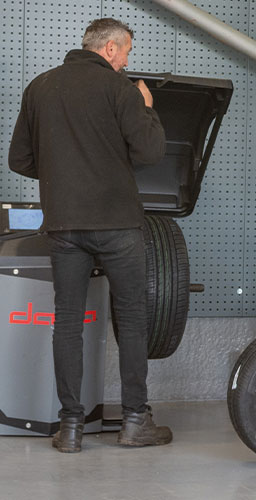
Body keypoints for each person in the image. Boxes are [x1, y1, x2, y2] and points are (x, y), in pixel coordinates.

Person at [8, 18, 171, 453]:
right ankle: (135, 422)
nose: (126, 61)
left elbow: (19, 159)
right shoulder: (121, 90)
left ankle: (72, 428)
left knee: (67, 322)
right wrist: (147, 106)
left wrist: (65, 173)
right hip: (118, 224)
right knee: (132, 319)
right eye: (128, 52)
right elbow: (151, 152)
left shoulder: (40, 87)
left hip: (64, 225)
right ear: (112, 50)